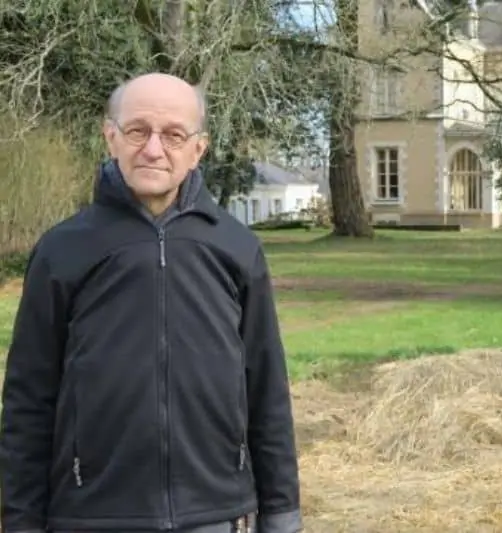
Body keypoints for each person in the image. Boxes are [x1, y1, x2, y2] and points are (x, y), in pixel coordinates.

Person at [0, 73, 303, 533]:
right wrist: (20, 520)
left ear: (198, 148)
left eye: (173, 135)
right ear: (111, 137)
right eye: (138, 131)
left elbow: (266, 390)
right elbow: (29, 397)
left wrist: (282, 513)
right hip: (91, 515)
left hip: (215, 514)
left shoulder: (236, 248)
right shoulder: (63, 249)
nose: (154, 149)